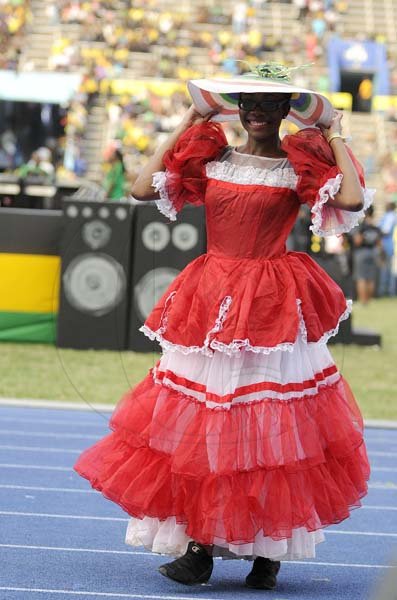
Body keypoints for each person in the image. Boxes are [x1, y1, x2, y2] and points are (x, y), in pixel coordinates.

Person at [74, 63, 372, 591]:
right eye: (247, 101)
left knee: (270, 426)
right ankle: (200, 546)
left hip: (271, 304)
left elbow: (348, 201)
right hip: (209, 299)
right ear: (236, 106)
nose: (256, 109)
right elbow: (143, 189)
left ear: (285, 111)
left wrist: (335, 135)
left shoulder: (300, 164)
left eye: (268, 103)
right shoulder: (210, 157)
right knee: (206, 422)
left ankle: (267, 552)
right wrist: (188, 118)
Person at [352, 205, 383, 304]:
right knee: (370, 277)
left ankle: (363, 301)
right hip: (373, 252)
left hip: (361, 252)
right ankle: (369, 300)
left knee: (361, 277)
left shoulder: (361, 226)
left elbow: (357, 241)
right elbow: (379, 243)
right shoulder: (375, 227)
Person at [377, 201, 397, 296]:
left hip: (388, 246)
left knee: (387, 269)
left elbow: (385, 230)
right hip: (389, 246)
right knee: (389, 269)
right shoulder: (390, 216)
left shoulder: (390, 216)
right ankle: (389, 291)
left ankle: (386, 291)